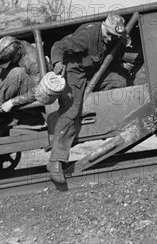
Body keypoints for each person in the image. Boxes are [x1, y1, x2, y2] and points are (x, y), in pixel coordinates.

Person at [47, 14, 129, 184]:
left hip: (92, 71)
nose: (110, 39)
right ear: (104, 27)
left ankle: (107, 127)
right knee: (71, 110)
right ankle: (55, 161)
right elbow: (58, 46)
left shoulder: (114, 38)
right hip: (73, 71)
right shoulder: (87, 36)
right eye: (110, 35)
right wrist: (57, 63)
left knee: (119, 81)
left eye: (115, 36)